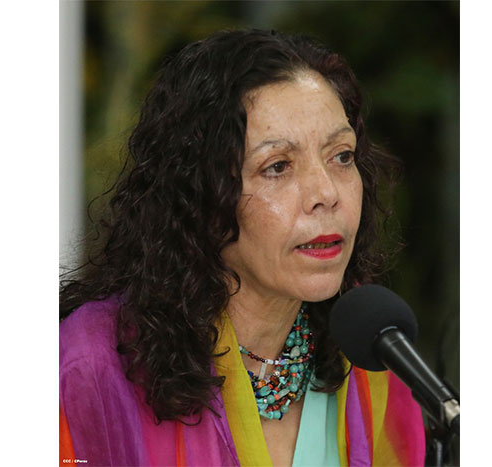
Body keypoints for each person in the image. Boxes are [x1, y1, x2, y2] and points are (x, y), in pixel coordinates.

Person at [59, 29, 425, 466]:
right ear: (201, 194)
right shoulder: (92, 364)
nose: (326, 193)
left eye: (342, 156)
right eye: (278, 166)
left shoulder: (372, 350)